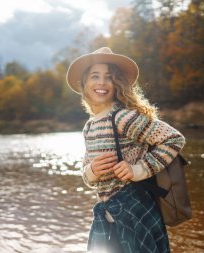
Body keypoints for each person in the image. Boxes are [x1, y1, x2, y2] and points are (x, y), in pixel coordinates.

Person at [66, 47, 186, 253]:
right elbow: (87, 175)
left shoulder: (122, 117)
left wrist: (138, 170)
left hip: (134, 212)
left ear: (117, 84)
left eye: (109, 77)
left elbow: (174, 139)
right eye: (95, 76)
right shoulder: (89, 126)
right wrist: (92, 171)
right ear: (84, 85)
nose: (102, 82)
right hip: (106, 218)